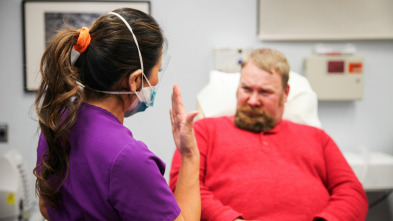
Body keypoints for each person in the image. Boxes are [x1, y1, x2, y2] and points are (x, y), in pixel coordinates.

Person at [34, 8, 200, 220]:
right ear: (135, 80)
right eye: (157, 70)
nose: (157, 81)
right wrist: (190, 154)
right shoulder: (129, 158)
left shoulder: (58, 121)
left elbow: (47, 208)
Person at [169, 48, 368, 221]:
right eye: (246, 89)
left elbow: (352, 193)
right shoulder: (203, 132)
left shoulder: (317, 138)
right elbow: (183, 187)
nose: (253, 100)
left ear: (286, 93)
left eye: (265, 92)